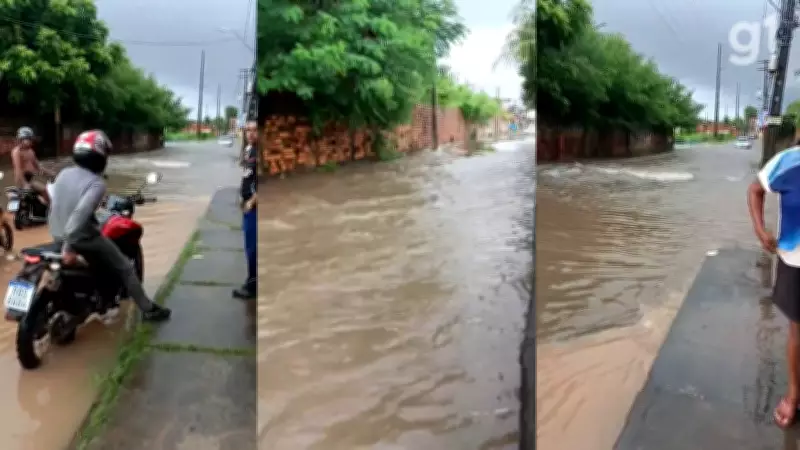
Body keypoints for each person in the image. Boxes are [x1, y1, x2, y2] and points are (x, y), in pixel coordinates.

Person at [48, 129, 171, 322]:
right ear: (100, 156)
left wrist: (62, 238)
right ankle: (149, 309)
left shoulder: (63, 174)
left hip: (56, 234)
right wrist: (68, 246)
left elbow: (57, 205)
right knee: (125, 268)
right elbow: (79, 216)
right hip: (79, 239)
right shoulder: (97, 184)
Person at [748, 139, 800, 427]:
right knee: (798, 330)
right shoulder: (790, 162)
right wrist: (760, 229)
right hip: (797, 262)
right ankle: (794, 394)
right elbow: (755, 190)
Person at [232, 120, 258, 300]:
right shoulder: (249, 150)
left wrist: (253, 201)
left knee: (253, 248)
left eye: (254, 130)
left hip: (254, 206)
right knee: (250, 246)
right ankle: (251, 281)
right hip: (247, 204)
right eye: (247, 130)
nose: (250, 133)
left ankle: (252, 285)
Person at [12, 126, 55, 202]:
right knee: (44, 190)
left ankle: (46, 210)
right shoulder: (16, 152)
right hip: (22, 182)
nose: (29, 141)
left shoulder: (31, 152)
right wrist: (25, 184)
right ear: (20, 139)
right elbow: (18, 169)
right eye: (26, 138)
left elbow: (38, 167)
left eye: (29, 139)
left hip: (30, 180)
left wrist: (51, 173)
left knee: (44, 193)